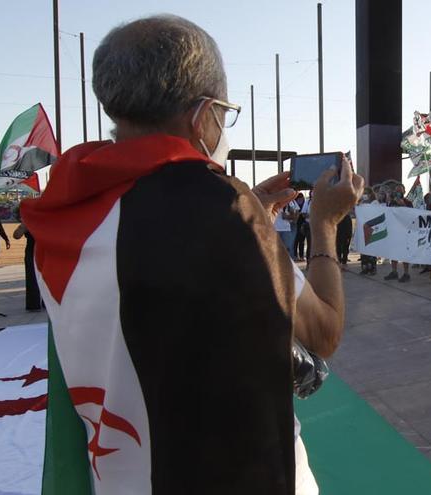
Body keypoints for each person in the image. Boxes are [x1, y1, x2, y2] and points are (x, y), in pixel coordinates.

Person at [20, 16, 364, 494]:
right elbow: (323, 332)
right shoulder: (223, 209)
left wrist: (255, 215)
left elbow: (158, 275)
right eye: (225, 111)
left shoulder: (62, 209)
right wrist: (325, 225)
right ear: (203, 115)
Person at [384, 187, 412, 282]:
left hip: (404, 231)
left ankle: (406, 273)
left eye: (400, 191)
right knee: (393, 252)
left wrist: (403, 205)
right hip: (394, 230)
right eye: (397, 191)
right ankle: (394, 271)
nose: (398, 193)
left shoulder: (408, 202)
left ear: (404, 191)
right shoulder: (392, 202)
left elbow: (411, 215)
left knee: (404, 253)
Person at [13, 223, 42, 311]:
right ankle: (35, 304)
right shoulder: (29, 220)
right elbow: (16, 235)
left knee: (35, 278)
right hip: (34, 251)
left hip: (39, 251)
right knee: (33, 278)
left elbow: (16, 235)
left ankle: (35, 304)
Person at [358, 187, 379, 275]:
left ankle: (372, 268)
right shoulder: (361, 203)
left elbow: (375, 213)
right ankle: (365, 268)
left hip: (372, 228)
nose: (364, 195)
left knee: (371, 250)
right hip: (363, 228)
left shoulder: (375, 203)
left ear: (371, 194)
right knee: (364, 250)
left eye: (366, 193)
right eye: (363, 193)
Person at [293, 192, 307, 261]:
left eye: (301, 199)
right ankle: (295, 255)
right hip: (295, 225)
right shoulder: (294, 205)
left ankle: (301, 256)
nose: (300, 200)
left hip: (302, 225)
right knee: (295, 241)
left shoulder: (304, 205)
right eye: (299, 199)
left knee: (302, 241)